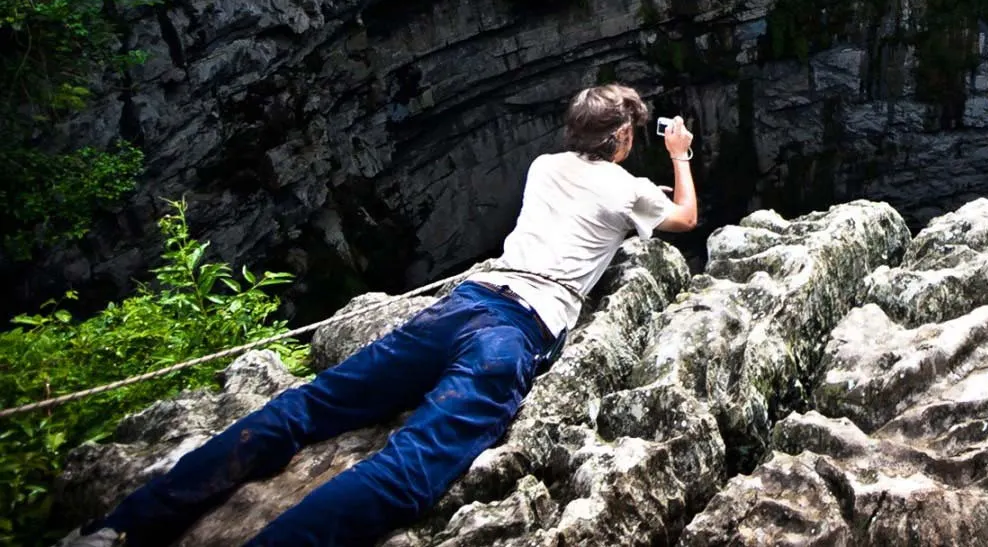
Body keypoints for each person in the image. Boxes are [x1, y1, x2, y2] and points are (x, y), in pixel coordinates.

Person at [70, 84, 698, 547]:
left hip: (461, 306)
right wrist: (679, 154)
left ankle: (121, 528)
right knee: (411, 462)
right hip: (514, 330)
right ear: (620, 139)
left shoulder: (544, 166)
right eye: (630, 134)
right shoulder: (627, 189)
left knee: (307, 408)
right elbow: (686, 219)